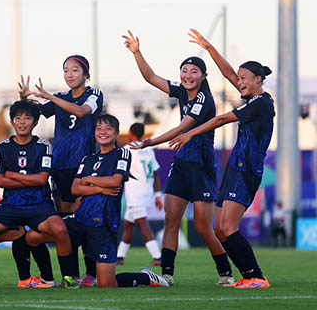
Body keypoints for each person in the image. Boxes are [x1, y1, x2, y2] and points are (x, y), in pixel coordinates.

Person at [122, 30, 233, 286]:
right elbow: (150, 77)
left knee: (204, 228)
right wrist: (137, 52)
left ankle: (226, 273)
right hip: (181, 165)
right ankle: (167, 274)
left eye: (193, 71)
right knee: (171, 221)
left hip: (202, 167)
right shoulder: (182, 92)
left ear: (204, 76)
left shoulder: (204, 98)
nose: (187, 75)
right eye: (184, 70)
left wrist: (150, 141)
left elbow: (182, 128)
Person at [168, 28, 274, 288]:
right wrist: (209, 47)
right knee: (219, 229)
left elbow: (221, 119)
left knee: (227, 226)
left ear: (259, 80)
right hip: (234, 168)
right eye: (239, 78)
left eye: (245, 78)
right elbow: (228, 73)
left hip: (247, 170)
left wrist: (190, 133)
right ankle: (246, 276)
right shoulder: (251, 96)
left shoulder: (261, 102)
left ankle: (256, 276)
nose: (239, 82)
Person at [29, 114, 170, 288]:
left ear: (117, 133)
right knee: (33, 237)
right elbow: (75, 188)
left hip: (104, 223)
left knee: (107, 284)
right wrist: (100, 187)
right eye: (99, 128)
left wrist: (88, 180)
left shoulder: (122, 154)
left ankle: (145, 277)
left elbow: (115, 181)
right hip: (80, 219)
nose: (103, 132)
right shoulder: (88, 159)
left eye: (108, 128)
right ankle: (67, 278)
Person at [0, 100, 79, 289]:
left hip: (39, 205)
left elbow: (42, 180)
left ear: (35, 122)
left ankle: (68, 277)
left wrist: (12, 174)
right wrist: (27, 177)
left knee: (60, 229)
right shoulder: (2, 147)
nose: (22, 122)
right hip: (10, 206)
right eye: (18, 118)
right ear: (12, 121)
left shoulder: (44, 146)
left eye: (27, 118)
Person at [19, 54, 103, 285]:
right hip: (60, 167)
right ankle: (71, 274)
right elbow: (34, 114)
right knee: (65, 223)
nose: (69, 74)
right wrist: (24, 98)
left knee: (82, 220)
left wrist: (48, 97)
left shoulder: (93, 94)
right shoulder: (60, 97)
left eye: (75, 70)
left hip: (83, 166)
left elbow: (82, 112)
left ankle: (92, 274)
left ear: (86, 74)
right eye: (66, 70)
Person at [116, 122, 163, 266]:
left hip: (135, 192)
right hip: (146, 192)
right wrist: (157, 195)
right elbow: (155, 172)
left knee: (142, 224)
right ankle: (120, 257)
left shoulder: (128, 149)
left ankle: (158, 257)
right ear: (142, 134)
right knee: (129, 225)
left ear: (130, 133)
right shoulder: (148, 149)